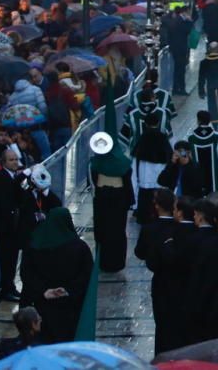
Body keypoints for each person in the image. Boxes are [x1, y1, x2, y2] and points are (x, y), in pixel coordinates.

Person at [19, 207, 94, 343]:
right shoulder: (80, 248)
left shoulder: (34, 245)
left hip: (42, 309)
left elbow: (26, 274)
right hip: (71, 310)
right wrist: (69, 291)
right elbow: (87, 276)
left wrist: (43, 291)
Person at [90, 113, 133, 273]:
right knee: (112, 231)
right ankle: (112, 262)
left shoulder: (98, 163)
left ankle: (108, 262)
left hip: (107, 198)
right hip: (113, 198)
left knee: (107, 231)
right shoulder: (119, 162)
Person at [135, 188, 176, 354]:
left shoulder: (149, 228)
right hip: (179, 281)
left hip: (160, 282)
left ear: (157, 206)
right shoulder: (178, 227)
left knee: (161, 322)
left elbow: (139, 252)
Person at [0, 149, 23, 302]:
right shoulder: (0, 177)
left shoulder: (13, 177)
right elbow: (6, 200)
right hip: (4, 228)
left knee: (12, 260)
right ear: (3, 162)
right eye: (11, 160)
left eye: (16, 159)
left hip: (14, 228)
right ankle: (5, 290)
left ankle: (10, 287)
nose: (15, 162)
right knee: (6, 260)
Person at [132, 110, 172, 224]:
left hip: (145, 174)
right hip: (160, 172)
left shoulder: (143, 138)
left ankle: (143, 217)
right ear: (158, 123)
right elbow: (169, 154)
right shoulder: (162, 137)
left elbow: (136, 156)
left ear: (145, 123)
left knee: (145, 197)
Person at [187, 111, 218, 194]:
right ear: (209, 120)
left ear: (198, 121)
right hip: (213, 177)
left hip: (196, 175)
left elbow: (188, 155)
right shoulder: (217, 137)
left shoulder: (190, 137)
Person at [160, 6, 194, 95]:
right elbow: (187, 31)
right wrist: (190, 21)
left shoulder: (175, 20)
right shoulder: (181, 21)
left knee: (177, 68)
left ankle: (176, 88)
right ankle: (180, 88)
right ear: (185, 12)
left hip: (175, 47)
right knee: (180, 69)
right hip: (180, 47)